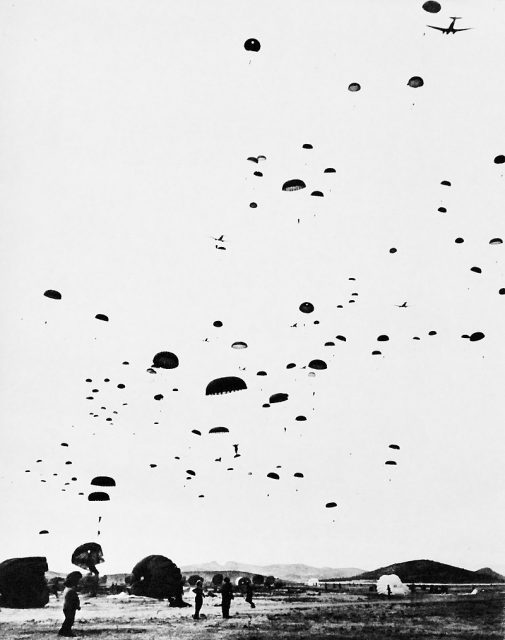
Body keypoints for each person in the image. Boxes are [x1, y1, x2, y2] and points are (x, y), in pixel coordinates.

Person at [58, 571, 82, 637]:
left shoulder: (67, 589)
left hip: (67, 607)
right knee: (70, 620)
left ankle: (63, 631)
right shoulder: (71, 590)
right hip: (70, 608)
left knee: (68, 620)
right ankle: (66, 632)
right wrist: (77, 606)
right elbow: (73, 600)